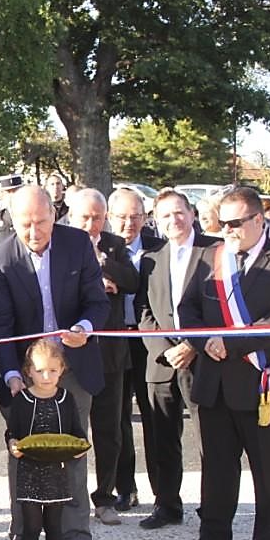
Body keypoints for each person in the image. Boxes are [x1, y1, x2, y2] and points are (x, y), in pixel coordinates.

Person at [176, 186, 270, 540]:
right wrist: (205, 343)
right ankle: (214, 538)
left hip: (258, 383)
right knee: (216, 465)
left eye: (234, 223)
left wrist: (229, 343)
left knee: (266, 469)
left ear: (258, 219)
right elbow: (188, 309)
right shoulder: (209, 256)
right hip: (213, 380)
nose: (227, 230)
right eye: (221, 223)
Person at [0, 185, 109, 540]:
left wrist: (85, 327)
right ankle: (22, 538)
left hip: (72, 364)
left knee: (71, 451)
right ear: (13, 221)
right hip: (25, 371)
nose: (34, 231)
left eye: (41, 221)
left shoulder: (77, 246)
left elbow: (98, 301)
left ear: (54, 215)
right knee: (23, 455)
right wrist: (11, 375)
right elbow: (1, 325)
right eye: (25, 224)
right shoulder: (1, 257)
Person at [135, 189, 220, 530]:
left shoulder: (215, 250)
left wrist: (192, 345)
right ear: (157, 221)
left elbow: (221, 307)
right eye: (166, 215)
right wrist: (164, 346)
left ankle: (213, 507)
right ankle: (167, 505)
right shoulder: (152, 258)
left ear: (192, 213)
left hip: (202, 359)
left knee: (211, 439)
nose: (174, 220)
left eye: (179, 212)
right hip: (162, 360)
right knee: (161, 438)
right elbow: (143, 310)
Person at [68, 189, 139, 526]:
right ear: (71, 215)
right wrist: (100, 285)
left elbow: (131, 281)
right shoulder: (61, 241)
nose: (91, 223)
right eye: (85, 217)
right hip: (72, 353)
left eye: (98, 217)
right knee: (72, 428)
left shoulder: (114, 245)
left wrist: (105, 265)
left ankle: (105, 496)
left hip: (111, 354)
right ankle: (71, 495)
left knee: (110, 429)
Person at [6, 339, 88, 540]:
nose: (46, 376)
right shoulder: (22, 400)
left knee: (54, 526)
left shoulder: (66, 398)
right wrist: (12, 445)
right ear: (28, 370)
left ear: (62, 369)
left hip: (56, 470)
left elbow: (77, 432)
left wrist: (81, 446)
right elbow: (13, 431)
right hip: (29, 471)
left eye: (52, 370)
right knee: (31, 528)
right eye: (40, 370)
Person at [106, 188, 163, 512]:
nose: (129, 223)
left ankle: (163, 491)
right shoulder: (101, 249)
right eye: (122, 217)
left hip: (150, 340)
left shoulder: (157, 249)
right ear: (111, 217)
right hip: (114, 339)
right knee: (117, 420)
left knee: (156, 416)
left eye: (135, 217)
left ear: (145, 217)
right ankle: (124, 487)